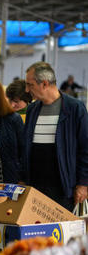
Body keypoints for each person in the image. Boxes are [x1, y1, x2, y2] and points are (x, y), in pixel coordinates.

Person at [22, 62, 88, 210]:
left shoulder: (74, 109)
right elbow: (25, 146)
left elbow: (85, 149)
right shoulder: (32, 110)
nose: (27, 90)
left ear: (44, 84)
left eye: (30, 85)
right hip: (35, 187)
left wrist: (83, 184)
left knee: (60, 232)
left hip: (63, 189)